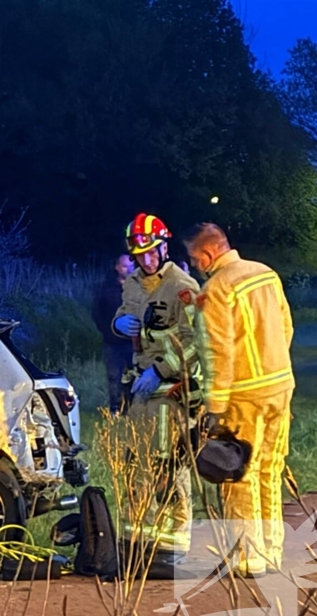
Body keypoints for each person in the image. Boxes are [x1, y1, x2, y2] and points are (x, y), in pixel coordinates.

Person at [183, 222, 294, 577]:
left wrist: (215, 407)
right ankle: (273, 549)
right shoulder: (266, 274)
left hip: (244, 394)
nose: (195, 264)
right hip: (280, 385)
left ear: (208, 253)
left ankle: (248, 556)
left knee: (238, 474)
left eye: (194, 257)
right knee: (270, 470)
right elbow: (286, 327)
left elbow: (217, 352)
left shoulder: (216, 288)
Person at [112, 213, 202, 556]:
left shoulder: (183, 287)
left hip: (173, 391)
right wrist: (119, 323)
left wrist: (162, 370)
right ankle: (142, 540)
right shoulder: (133, 282)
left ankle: (175, 543)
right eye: (139, 255)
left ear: (164, 248)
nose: (146, 260)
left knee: (170, 464)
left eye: (151, 253)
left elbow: (198, 343)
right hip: (141, 390)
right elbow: (122, 311)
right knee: (139, 462)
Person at [92, 254, 135, 414]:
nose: (129, 269)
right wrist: (107, 331)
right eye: (125, 266)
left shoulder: (138, 288)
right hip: (112, 342)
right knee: (114, 377)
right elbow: (97, 312)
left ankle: (130, 409)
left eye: (131, 266)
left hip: (133, 341)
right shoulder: (106, 288)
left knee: (133, 375)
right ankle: (115, 409)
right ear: (117, 267)